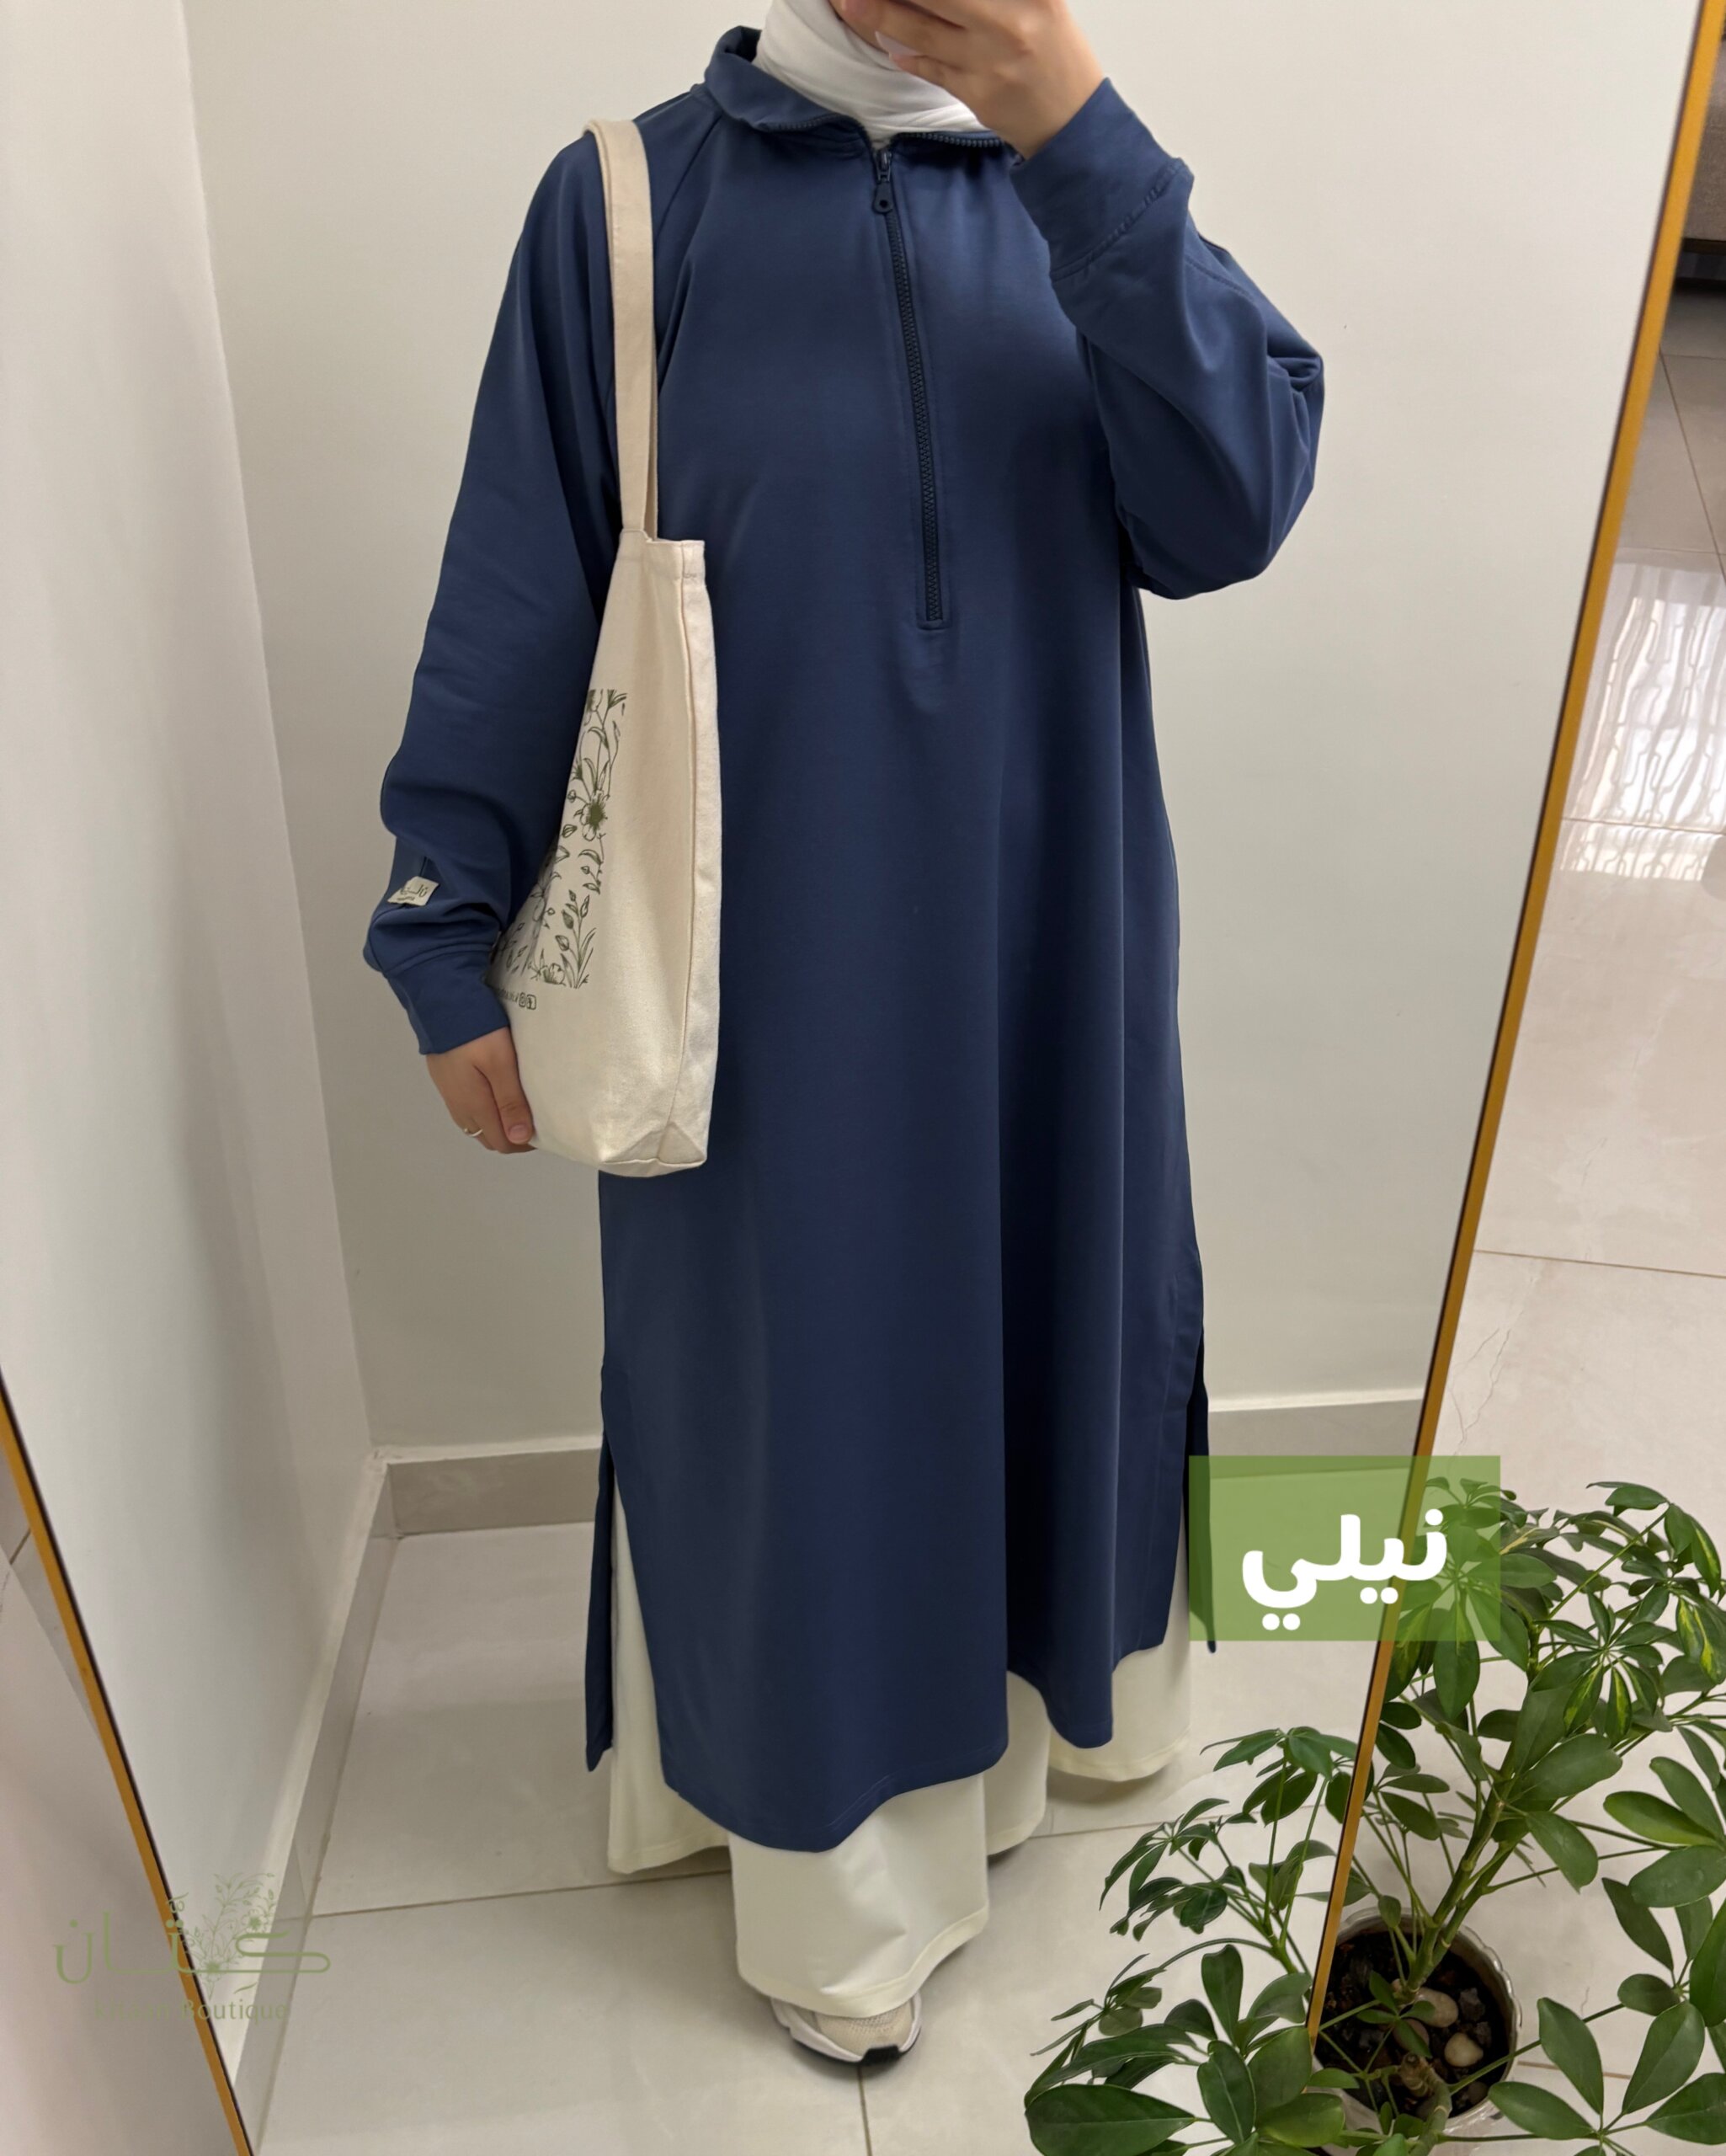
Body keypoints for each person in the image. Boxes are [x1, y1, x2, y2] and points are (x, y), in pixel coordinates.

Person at [363, 0, 1324, 2063]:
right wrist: (443, 918)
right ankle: (842, 1881)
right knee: (800, 1381)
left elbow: (1230, 504)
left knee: (1065, 1307)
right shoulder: (630, 203)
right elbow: (524, 575)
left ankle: (1076, 1712)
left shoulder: (1087, 189)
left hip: (1054, 927)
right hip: (759, 974)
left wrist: (1065, 124)